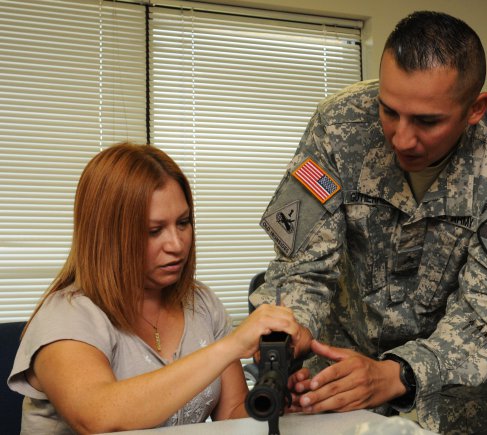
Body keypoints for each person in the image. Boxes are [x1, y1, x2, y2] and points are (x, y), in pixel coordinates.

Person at [250, 10, 487, 434]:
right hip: (337, 401)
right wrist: (292, 325)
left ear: (475, 109)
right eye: (388, 111)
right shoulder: (338, 127)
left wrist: (397, 375)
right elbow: (303, 263)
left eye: (427, 121)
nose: (402, 139)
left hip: (456, 415)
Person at [8, 142, 307, 434]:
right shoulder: (65, 316)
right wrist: (233, 345)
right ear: (108, 235)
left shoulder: (201, 303)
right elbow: (98, 415)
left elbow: (231, 415)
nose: (176, 245)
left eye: (183, 222)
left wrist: (277, 403)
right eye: (154, 231)